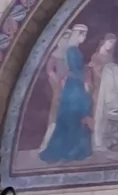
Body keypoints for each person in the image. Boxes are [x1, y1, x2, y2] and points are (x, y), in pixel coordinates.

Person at [39, 24, 93, 165]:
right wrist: (84, 81)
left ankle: (77, 151)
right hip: (74, 86)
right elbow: (74, 69)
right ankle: (68, 152)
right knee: (72, 117)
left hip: (74, 84)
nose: (84, 38)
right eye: (83, 35)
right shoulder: (72, 50)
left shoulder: (74, 50)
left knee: (76, 117)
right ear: (78, 35)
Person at [91, 31, 118, 154]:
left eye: (113, 43)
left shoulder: (110, 56)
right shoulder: (96, 56)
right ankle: (98, 142)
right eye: (110, 42)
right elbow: (96, 72)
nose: (111, 45)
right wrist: (107, 78)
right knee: (100, 115)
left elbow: (113, 70)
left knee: (109, 115)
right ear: (104, 41)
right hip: (100, 88)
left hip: (110, 90)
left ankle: (108, 141)